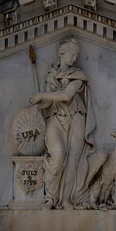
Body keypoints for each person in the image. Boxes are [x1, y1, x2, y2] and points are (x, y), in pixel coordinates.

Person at [28, 35, 91, 207]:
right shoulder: (50, 75)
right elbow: (49, 102)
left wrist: (42, 94)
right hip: (55, 119)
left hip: (76, 118)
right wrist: (39, 103)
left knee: (72, 160)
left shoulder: (78, 75)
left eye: (77, 55)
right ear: (62, 53)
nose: (75, 58)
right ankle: (51, 197)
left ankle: (66, 199)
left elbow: (66, 95)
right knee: (58, 156)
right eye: (73, 54)